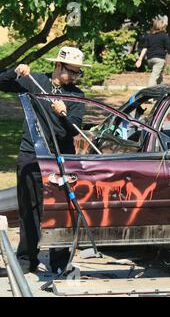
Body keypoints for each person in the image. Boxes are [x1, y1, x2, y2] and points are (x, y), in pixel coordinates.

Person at [0, 46, 91, 274]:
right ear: (58, 66)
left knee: (61, 209)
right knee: (29, 208)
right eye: (71, 71)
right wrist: (14, 72)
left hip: (61, 157)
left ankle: (59, 260)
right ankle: (26, 259)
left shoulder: (76, 95)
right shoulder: (35, 80)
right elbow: (1, 83)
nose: (75, 76)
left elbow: (72, 130)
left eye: (78, 72)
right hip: (32, 154)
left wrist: (65, 115)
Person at [135, 19, 170, 86]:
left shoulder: (150, 36)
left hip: (150, 59)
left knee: (159, 74)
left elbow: (145, 48)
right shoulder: (164, 36)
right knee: (154, 76)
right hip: (159, 59)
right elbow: (168, 48)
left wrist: (140, 59)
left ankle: (161, 89)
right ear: (163, 27)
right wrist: (164, 58)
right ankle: (149, 92)